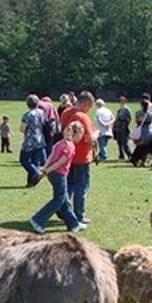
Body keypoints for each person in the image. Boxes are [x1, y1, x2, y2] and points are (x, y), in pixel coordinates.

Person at [29, 121, 87, 234]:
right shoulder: (70, 147)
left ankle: (73, 224)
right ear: (77, 133)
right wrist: (46, 170)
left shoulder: (60, 143)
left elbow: (50, 156)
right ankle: (37, 220)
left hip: (53, 173)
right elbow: (60, 162)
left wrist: (45, 169)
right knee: (59, 199)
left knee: (64, 200)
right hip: (59, 174)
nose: (81, 137)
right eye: (81, 134)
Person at [60, 91, 96, 225]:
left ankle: (64, 210)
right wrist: (96, 136)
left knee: (68, 185)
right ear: (85, 104)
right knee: (81, 186)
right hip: (82, 156)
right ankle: (79, 214)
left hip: (68, 155)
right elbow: (89, 138)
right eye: (89, 107)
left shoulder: (65, 112)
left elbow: (62, 130)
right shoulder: (83, 117)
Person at [19, 95, 47, 187]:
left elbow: (22, 129)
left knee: (24, 160)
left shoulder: (27, 115)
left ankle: (36, 173)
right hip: (40, 139)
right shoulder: (42, 112)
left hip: (30, 140)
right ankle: (31, 182)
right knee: (35, 161)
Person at [113, 95, 132, 160]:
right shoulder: (119, 110)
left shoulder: (127, 109)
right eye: (120, 101)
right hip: (118, 128)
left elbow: (129, 119)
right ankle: (121, 155)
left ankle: (129, 155)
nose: (121, 103)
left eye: (122, 101)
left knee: (124, 143)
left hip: (124, 128)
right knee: (119, 143)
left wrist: (124, 123)